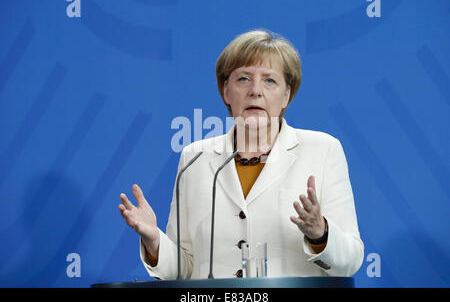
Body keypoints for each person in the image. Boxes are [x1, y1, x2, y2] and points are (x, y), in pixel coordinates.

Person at [118, 30, 364, 279]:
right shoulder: (194, 158)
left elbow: (350, 261)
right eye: (244, 79)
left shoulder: (322, 150)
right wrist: (154, 241)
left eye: (270, 80)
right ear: (226, 91)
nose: (256, 91)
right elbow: (185, 270)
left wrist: (320, 233)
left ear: (286, 95)